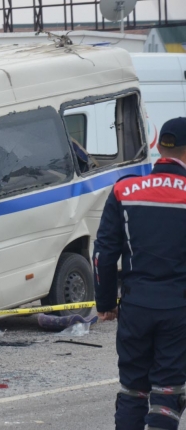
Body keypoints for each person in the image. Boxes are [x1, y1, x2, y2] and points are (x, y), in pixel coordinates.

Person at [93, 117, 186, 430]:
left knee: (133, 389)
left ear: (159, 146)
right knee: (168, 391)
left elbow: (103, 254)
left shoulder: (125, 189)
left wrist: (105, 304)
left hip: (135, 307)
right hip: (178, 309)